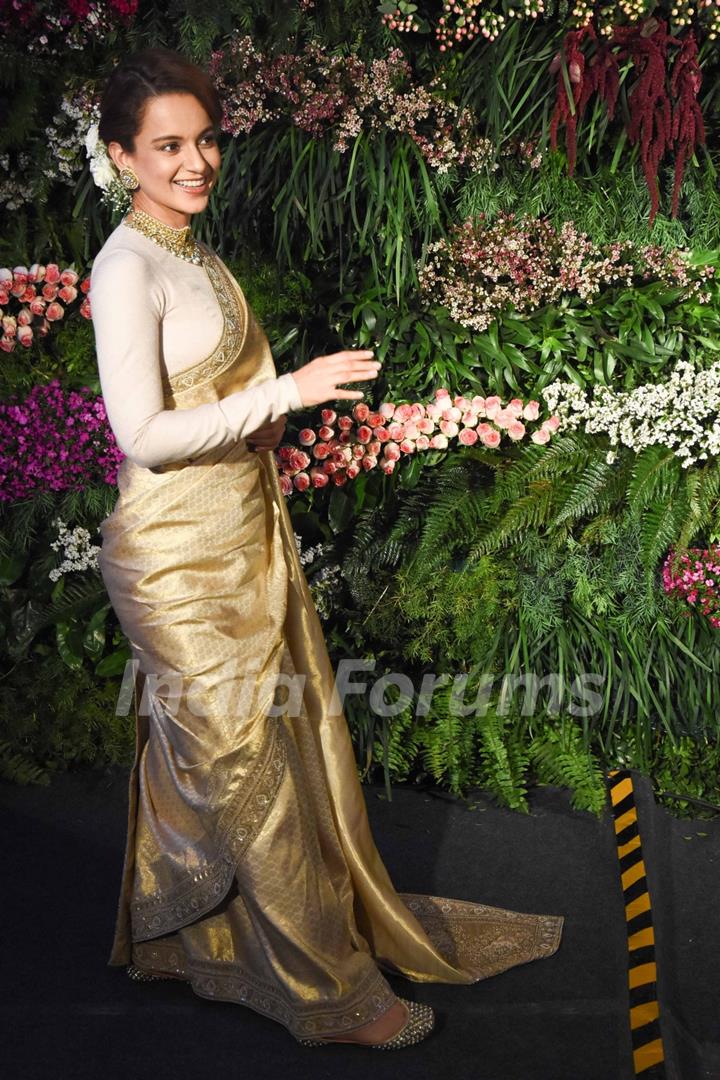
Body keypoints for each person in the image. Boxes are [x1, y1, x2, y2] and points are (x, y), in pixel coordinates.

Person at [89, 45, 564, 1051]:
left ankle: (190, 941)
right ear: (122, 157)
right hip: (176, 560)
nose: (196, 161)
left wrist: (261, 422)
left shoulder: (189, 254)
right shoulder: (126, 268)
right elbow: (141, 435)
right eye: (168, 145)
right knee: (238, 762)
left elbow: (204, 406)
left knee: (221, 762)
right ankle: (331, 994)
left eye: (206, 139)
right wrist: (285, 395)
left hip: (234, 529)